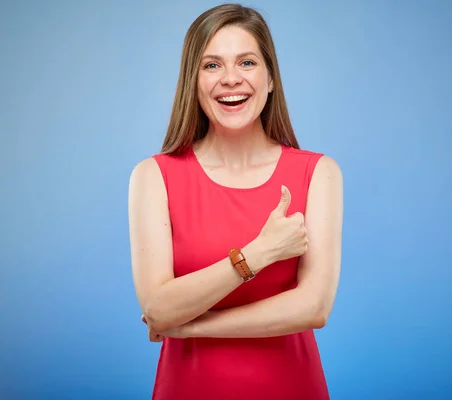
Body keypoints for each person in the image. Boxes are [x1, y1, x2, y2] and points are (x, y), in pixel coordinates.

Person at [128, 3, 343, 399]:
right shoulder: (154, 176)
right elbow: (158, 309)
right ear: (192, 81)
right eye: (211, 65)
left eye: (246, 62)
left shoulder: (319, 173)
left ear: (271, 78)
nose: (230, 79)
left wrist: (191, 326)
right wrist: (258, 253)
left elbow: (314, 308)